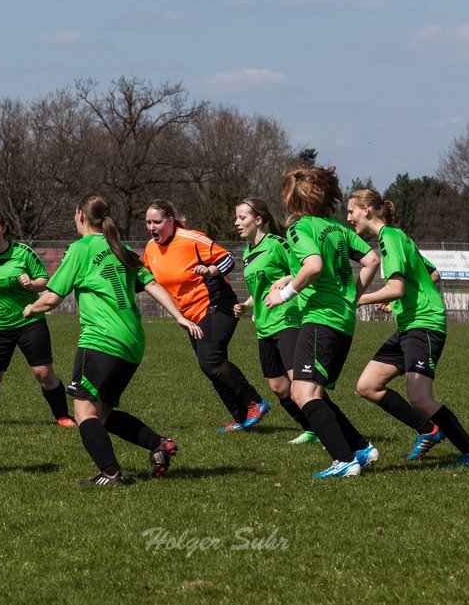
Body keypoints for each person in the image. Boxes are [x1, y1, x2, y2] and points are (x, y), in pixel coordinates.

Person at [23, 194, 202, 486]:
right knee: (102, 414)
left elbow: (53, 298)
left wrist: (31, 307)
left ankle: (110, 473)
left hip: (101, 339)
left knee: (83, 412)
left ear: (80, 214)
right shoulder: (121, 247)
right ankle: (159, 445)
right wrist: (179, 317)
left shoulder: (81, 249)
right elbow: (152, 283)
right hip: (132, 342)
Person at [348, 187, 469, 467]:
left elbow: (396, 288)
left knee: (421, 397)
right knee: (368, 385)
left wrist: (359, 300)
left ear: (366, 210)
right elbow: (431, 272)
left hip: (424, 324)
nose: (349, 219)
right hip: (410, 324)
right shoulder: (397, 237)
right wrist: (399, 303)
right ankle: (429, 430)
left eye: (351, 212)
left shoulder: (389, 238)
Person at [264, 166, 381, 478]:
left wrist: (285, 294)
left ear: (295, 198)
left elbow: (314, 265)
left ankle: (344, 461)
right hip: (341, 319)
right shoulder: (336, 228)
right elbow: (372, 260)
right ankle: (360, 448)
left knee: (302, 394)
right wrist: (351, 296)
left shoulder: (300, 228)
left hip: (320, 318)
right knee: (312, 392)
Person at [143, 199, 267, 431]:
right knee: (208, 364)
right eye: (148, 222)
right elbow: (146, 279)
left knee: (210, 359)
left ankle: (255, 401)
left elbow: (227, 258)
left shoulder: (190, 239)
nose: (152, 227)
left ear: (170, 221)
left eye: (157, 222)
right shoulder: (151, 248)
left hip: (218, 304)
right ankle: (240, 417)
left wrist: (211, 270)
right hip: (190, 316)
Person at [0, 209, 73, 427]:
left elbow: (44, 280)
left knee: (43, 373)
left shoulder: (23, 252)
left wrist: (31, 285)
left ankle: (62, 415)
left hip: (29, 322)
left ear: (4, 228)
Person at [232, 197, 317, 445]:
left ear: (258, 220)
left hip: (287, 319)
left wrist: (287, 279)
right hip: (264, 326)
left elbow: (307, 265)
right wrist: (246, 306)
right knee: (279, 387)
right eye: (237, 217)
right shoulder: (248, 252)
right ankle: (310, 427)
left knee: (301, 382)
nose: (237, 222)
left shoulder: (278, 243)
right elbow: (261, 288)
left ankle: (326, 426)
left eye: (242, 217)